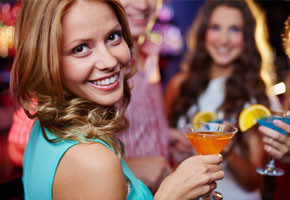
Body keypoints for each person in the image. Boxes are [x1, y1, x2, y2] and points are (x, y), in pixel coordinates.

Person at [11, 0, 225, 199]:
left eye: (113, 37)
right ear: (47, 61)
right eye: (80, 48)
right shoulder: (95, 162)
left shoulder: (47, 126)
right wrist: (170, 194)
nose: (109, 61)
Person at [164, 0, 280, 199]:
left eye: (234, 29)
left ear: (248, 37)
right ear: (204, 33)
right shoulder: (180, 85)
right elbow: (162, 144)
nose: (223, 39)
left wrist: (229, 153)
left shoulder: (257, 97)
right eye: (215, 27)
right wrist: (175, 150)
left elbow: (253, 180)